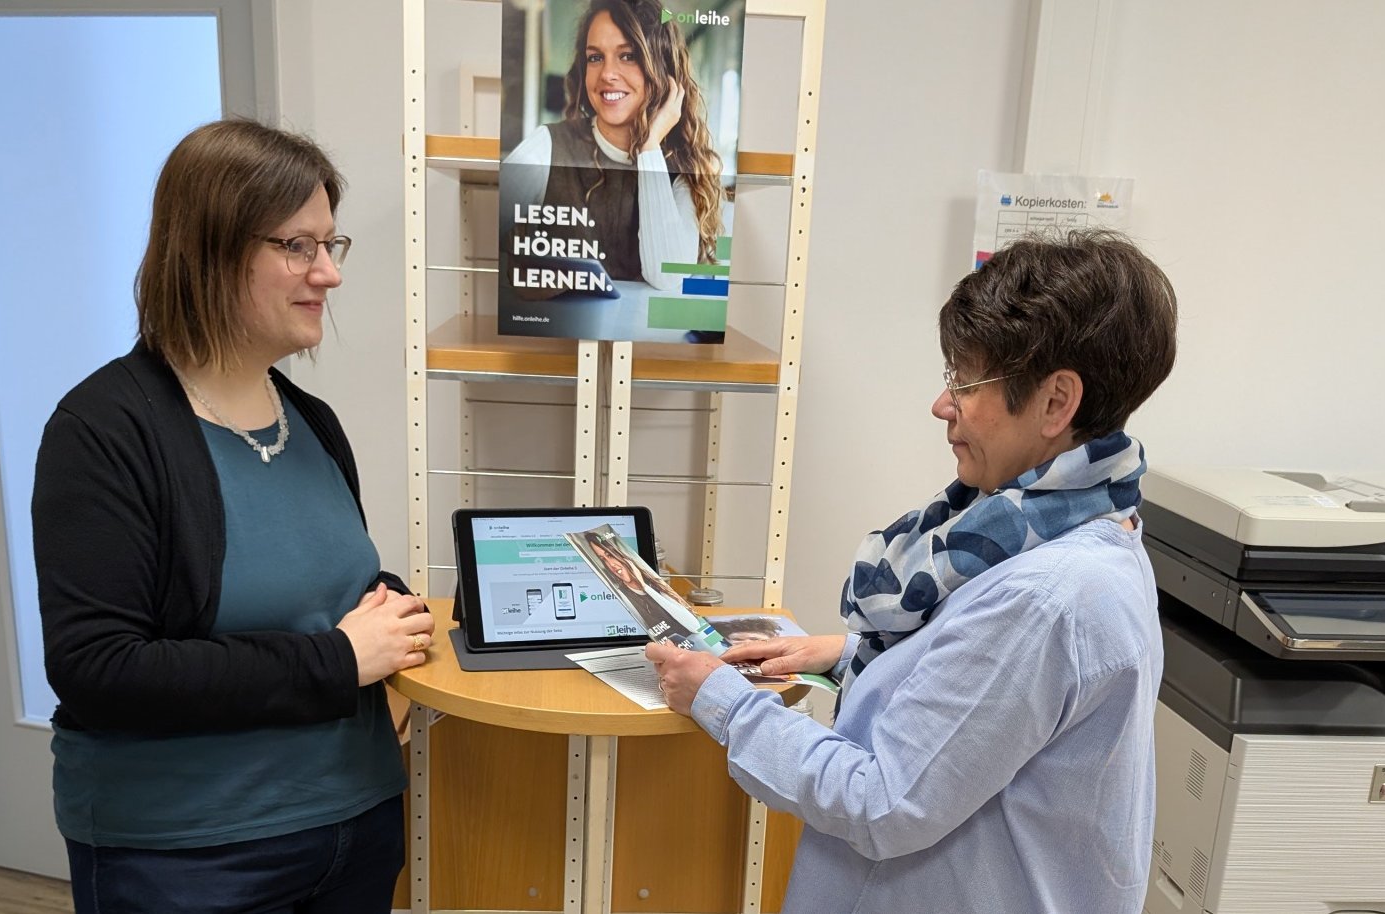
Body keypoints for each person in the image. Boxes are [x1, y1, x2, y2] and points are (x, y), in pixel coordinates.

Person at [648, 230, 1179, 913]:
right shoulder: (1084, 524)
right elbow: (991, 690)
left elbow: (881, 802)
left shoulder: (1045, 600)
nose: (942, 403)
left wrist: (721, 701)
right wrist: (847, 654)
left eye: (966, 380)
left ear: (1056, 403)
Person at [32, 118, 434, 914]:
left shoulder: (310, 419)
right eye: (298, 246)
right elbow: (100, 669)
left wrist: (380, 604)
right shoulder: (105, 430)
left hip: (352, 826)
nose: (329, 274)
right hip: (188, 855)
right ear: (210, 250)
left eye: (331, 245)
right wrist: (337, 659)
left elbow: (316, 589)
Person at [500, 0, 725, 291]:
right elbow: (484, 235)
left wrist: (649, 149)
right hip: (560, 334)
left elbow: (669, 277)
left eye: (628, 55)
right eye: (595, 58)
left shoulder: (684, 165)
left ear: (663, 71)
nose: (607, 73)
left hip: (642, 337)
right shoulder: (547, 145)